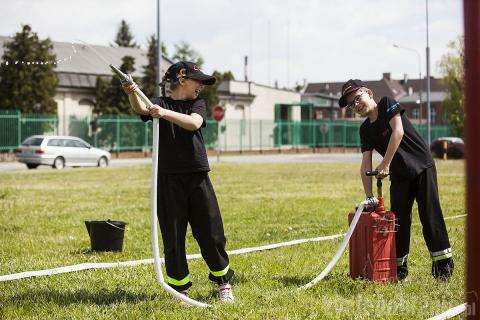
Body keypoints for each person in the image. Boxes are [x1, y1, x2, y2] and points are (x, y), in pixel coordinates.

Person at [122, 61, 234, 302]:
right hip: (168, 178)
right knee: (173, 236)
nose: (202, 86)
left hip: (197, 175)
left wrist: (163, 114)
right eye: (199, 81)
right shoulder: (158, 103)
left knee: (211, 232)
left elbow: (193, 122)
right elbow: (142, 108)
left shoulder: (196, 104)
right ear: (182, 80)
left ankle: (223, 282)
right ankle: (179, 287)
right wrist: (132, 92)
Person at [338, 79, 454, 281]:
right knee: (397, 222)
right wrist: (370, 197)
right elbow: (366, 164)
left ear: (369, 93)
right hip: (400, 175)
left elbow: (398, 131)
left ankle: (443, 266)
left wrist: (385, 163)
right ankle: (399, 269)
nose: (356, 105)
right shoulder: (365, 130)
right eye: (351, 104)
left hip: (421, 166)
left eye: (357, 98)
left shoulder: (386, 103)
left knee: (430, 214)